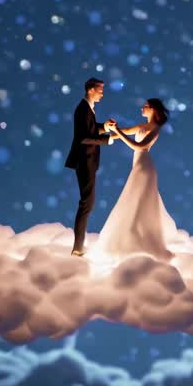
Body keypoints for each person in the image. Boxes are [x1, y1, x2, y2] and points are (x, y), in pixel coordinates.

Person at [96, 98, 176, 260]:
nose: (142, 108)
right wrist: (103, 134)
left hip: (144, 168)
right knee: (135, 201)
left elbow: (140, 146)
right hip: (138, 165)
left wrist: (117, 132)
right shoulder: (143, 126)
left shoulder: (155, 128)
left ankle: (136, 239)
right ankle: (133, 238)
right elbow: (124, 131)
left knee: (137, 202)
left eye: (146, 106)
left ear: (153, 109)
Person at [64, 77, 116, 256]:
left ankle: (79, 246)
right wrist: (106, 140)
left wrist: (104, 127)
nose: (102, 94)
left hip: (88, 161)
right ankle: (78, 248)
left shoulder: (88, 109)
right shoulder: (83, 109)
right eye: (100, 90)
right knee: (87, 203)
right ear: (91, 90)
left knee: (88, 203)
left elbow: (90, 129)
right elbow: (83, 137)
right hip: (84, 161)